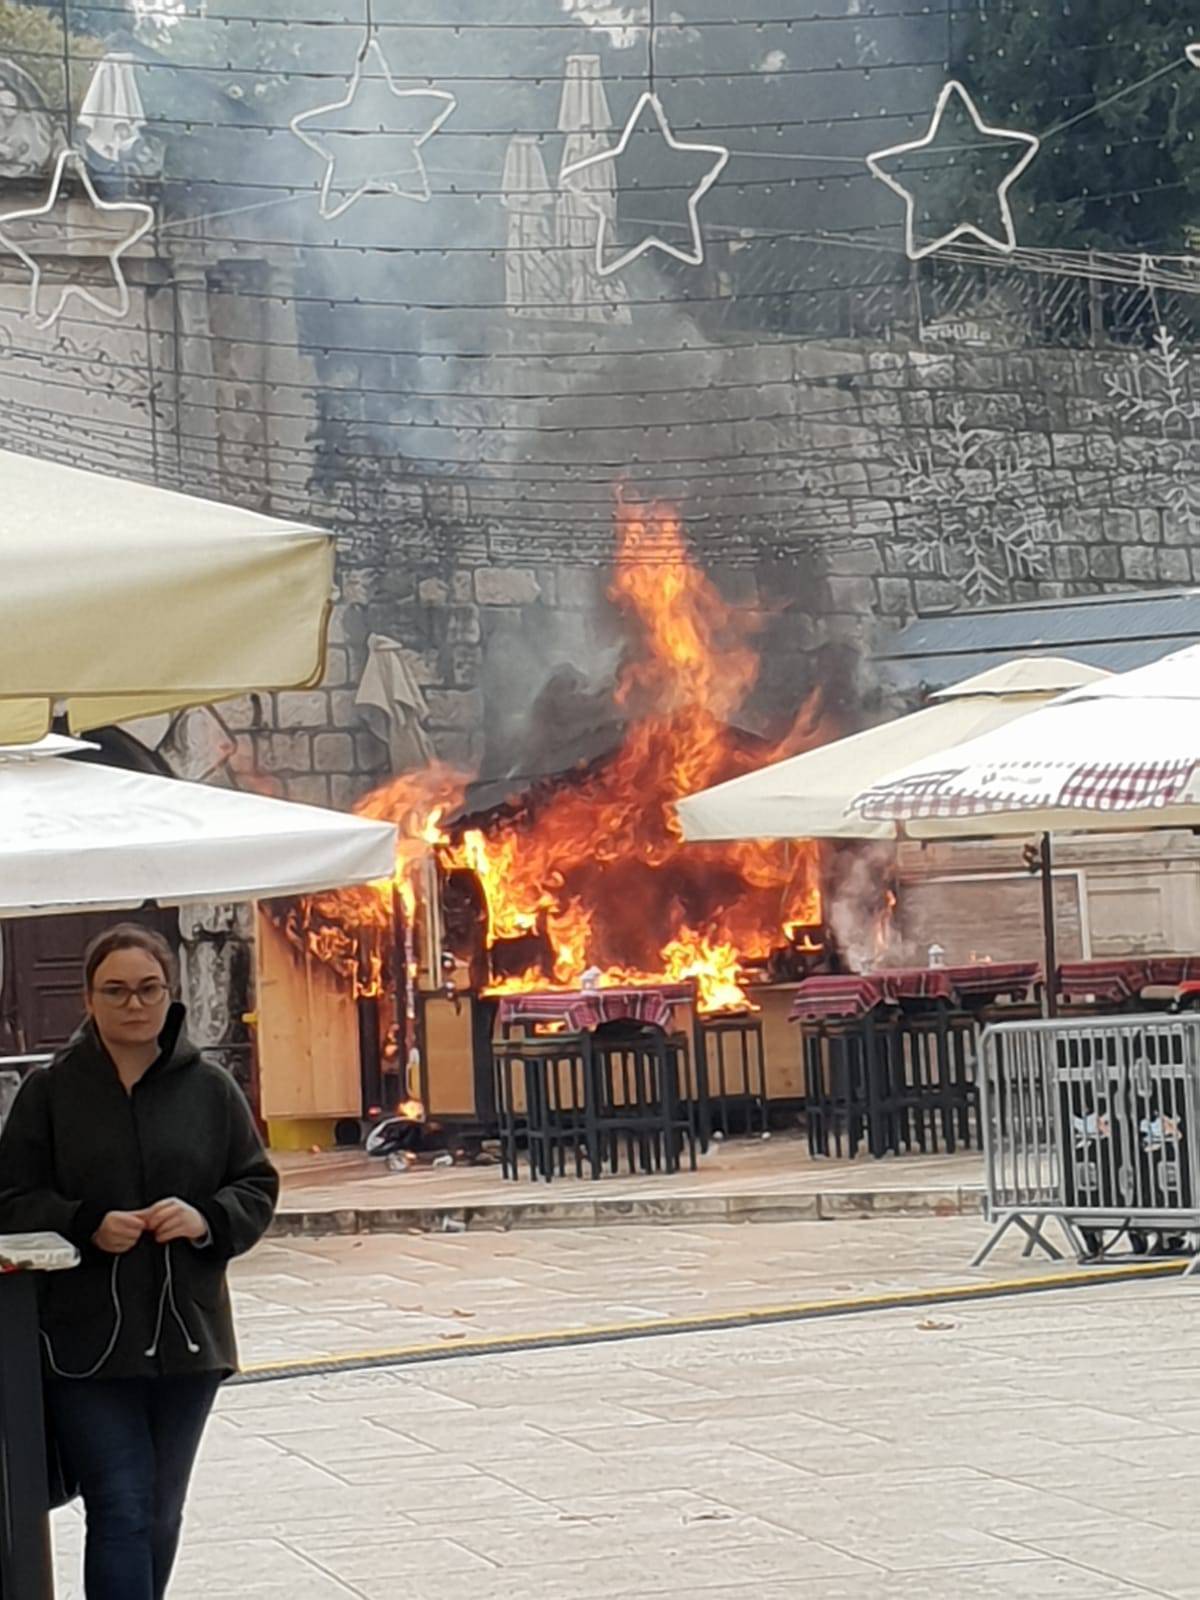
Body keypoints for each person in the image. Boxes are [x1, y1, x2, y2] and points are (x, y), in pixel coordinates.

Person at [0, 922, 279, 1600]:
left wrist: (206, 1218)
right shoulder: (49, 1093)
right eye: (116, 990)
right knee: (120, 1503)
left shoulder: (211, 1088)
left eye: (148, 988)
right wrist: (83, 1222)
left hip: (188, 1340)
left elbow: (255, 1183)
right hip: (84, 1343)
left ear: (170, 993)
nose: (134, 1003)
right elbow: (9, 1197)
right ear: (88, 999)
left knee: (158, 1511)